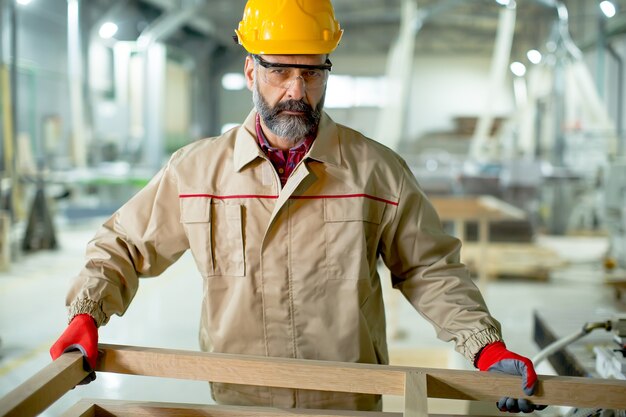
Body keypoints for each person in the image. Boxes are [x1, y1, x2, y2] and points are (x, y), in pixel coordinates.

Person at [51, 0, 545, 413]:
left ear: (326, 72)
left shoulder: (375, 170)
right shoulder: (197, 172)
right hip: (241, 399)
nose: (295, 91)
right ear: (251, 70)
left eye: (310, 72)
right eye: (279, 71)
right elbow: (124, 243)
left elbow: (430, 268)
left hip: (347, 402)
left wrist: (484, 345)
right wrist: (87, 312)